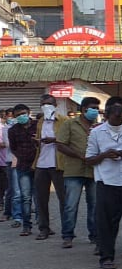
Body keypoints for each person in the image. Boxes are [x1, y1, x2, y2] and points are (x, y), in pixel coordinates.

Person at [86, 100, 122, 269]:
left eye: (121, 117)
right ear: (107, 117)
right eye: (115, 118)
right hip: (106, 180)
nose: (119, 120)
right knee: (106, 221)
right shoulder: (97, 133)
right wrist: (105, 155)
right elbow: (89, 159)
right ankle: (106, 256)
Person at [56, 97, 99, 249]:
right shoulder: (69, 124)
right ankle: (67, 235)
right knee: (70, 205)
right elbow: (60, 145)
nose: (95, 111)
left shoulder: (98, 126)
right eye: (92, 108)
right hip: (73, 170)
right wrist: (80, 156)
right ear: (83, 109)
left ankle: (94, 235)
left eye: (97, 108)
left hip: (94, 171)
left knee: (94, 205)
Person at [33, 94, 65, 241]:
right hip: (41, 163)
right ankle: (44, 228)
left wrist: (55, 140)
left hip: (58, 163)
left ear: (55, 105)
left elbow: (68, 141)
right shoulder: (40, 122)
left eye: (49, 104)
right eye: (44, 104)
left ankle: (67, 230)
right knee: (40, 198)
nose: (46, 106)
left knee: (63, 198)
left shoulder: (63, 121)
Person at [8, 104, 37, 238]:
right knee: (25, 197)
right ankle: (27, 226)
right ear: (14, 117)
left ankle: (43, 225)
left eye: (23, 113)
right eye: (18, 115)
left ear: (29, 112)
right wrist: (22, 156)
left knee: (40, 198)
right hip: (23, 167)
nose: (21, 116)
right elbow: (13, 147)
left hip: (39, 166)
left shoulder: (37, 125)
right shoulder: (13, 130)